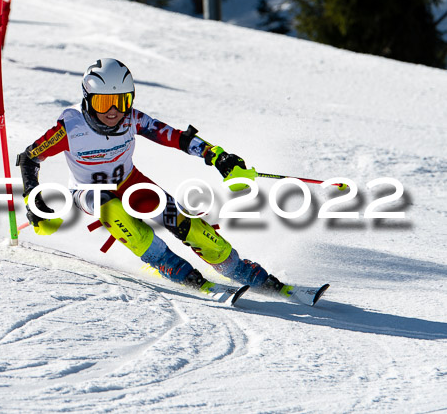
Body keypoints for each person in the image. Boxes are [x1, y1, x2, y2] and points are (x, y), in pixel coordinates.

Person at [16, 58, 285, 295]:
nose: (113, 112)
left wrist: (216, 155)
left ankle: (241, 270)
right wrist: (33, 197)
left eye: (121, 101)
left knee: (185, 224)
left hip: (130, 181)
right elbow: (29, 158)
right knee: (117, 214)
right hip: (87, 191)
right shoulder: (70, 127)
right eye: (103, 102)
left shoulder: (132, 119)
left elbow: (176, 137)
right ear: (88, 99)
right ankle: (171, 266)